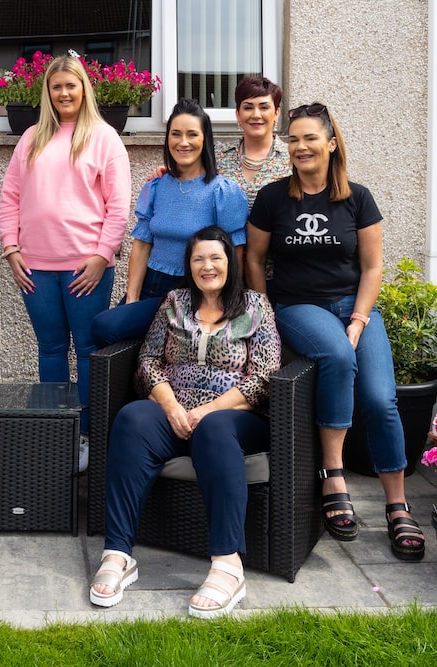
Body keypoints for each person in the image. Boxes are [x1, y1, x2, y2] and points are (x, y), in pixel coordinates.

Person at [245, 102, 425, 561]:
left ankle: (397, 504)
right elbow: (253, 259)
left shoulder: (358, 198)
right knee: (339, 357)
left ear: (330, 143)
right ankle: (334, 475)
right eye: (293, 139)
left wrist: (360, 319)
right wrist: (265, 310)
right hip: (297, 306)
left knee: (381, 398)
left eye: (309, 138)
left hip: (354, 306)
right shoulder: (272, 198)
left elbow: (372, 266)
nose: (300, 147)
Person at [90, 226, 281, 617]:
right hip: (175, 412)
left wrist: (208, 410)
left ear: (231, 261)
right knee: (132, 418)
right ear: (188, 266)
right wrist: (172, 406)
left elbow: (264, 375)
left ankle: (228, 565)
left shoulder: (256, 305)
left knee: (214, 428)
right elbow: (147, 362)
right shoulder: (174, 302)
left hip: (234, 418)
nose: (207, 266)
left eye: (215, 257)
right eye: (198, 259)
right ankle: (118, 553)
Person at [0, 54, 131, 467]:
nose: (64, 93)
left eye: (71, 85)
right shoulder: (32, 137)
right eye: (56, 87)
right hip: (35, 266)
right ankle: (57, 431)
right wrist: (11, 248)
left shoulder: (104, 137)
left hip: (85, 268)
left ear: (84, 88)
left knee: (89, 349)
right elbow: (10, 198)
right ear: (48, 92)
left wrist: (102, 256)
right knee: (51, 349)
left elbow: (119, 207)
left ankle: (87, 434)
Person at [91, 99, 248, 347]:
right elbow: (142, 245)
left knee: (105, 327)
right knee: (105, 336)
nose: (183, 142)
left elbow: (236, 253)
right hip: (150, 283)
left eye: (191, 134)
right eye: (176, 134)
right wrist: (132, 297)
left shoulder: (222, 192)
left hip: (192, 290)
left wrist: (222, 302)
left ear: (204, 139)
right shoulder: (156, 186)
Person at [214, 76, 290, 210]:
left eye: (264, 107)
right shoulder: (218, 155)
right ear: (238, 114)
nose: (256, 115)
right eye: (248, 108)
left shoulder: (291, 157)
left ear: (276, 113)